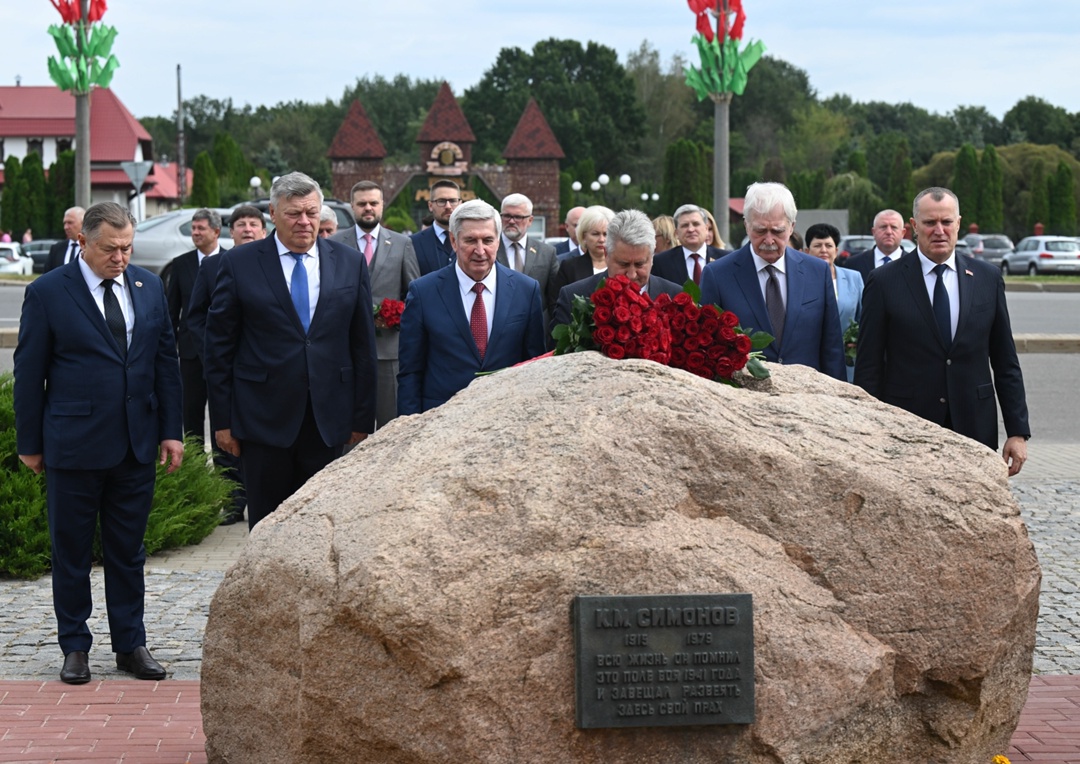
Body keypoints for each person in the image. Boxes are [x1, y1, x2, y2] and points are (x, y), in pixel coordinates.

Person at [13, 201, 183, 684]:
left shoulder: (149, 287)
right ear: (84, 243)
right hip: (72, 443)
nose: (121, 257)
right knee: (71, 552)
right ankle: (75, 648)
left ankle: (132, 645)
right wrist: (31, 442)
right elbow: (29, 373)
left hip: (136, 443)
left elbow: (164, 364)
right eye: (111, 249)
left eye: (128, 247)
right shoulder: (49, 292)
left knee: (128, 552)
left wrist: (171, 430)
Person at [204, 172, 378, 529]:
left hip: (328, 420)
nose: (304, 222)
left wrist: (362, 417)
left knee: (322, 527)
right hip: (261, 421)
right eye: (293, 214)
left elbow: (362, 345)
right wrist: (222, 421)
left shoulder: (349, 262)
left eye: (311, 213)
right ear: (272, 212)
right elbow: (218, 347)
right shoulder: (239, 264)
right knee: (267, 527)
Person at [855, 187, 1030, 474]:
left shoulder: (987, 278)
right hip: (907, 427)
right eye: (929, 223)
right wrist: (868, 431)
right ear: (914, 227)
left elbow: (1005, 361)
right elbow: (869, 365)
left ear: (958, 224)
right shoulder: (884, 281)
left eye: (946, 222)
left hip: (974, 427)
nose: (939, 230)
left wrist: (1017, 431)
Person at [397, 199, 546, 415]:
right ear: (454, 241)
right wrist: (408, 428)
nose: (480, 250)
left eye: (488, 240)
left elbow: (533, 367)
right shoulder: (423, 292)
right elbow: (410, 371)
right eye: (470, 240)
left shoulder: (526, 290)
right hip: (439, 420)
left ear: (498, 241)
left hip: (506, 418)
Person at [699, 182, 845, 380]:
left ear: (792, 227)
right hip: (743, 400)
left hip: (809, 398)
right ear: (746, 225)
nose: (769, 240)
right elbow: (707, 350)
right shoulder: (717, 275)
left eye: (777, 231)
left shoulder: (817, 272)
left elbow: (832, 347)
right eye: (760, 231)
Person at [185, 206, 264, 526]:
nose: (247, 229)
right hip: (224, 369)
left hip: (262, 367)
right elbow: (197, 315)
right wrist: (214, 353)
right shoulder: (214, 266)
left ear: (263, 229)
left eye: (253, 224)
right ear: (230, 231)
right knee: (225, 434)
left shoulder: (272, 264)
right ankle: (232, 500)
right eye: (240, 224)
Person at [331, 180, 420, 429]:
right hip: (345, 348)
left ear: (382, 205)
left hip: (389, 349)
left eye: (373, 203)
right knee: (347, 425)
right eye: (362, 204)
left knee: (390, 424)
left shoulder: (402, 244)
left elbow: (413, 295)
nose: (367, 208)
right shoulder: (335, 243)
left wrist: (396, 317)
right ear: (352, 207)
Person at [551, 209, 683, 333]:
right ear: (606, 254)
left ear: (652, 257)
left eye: (639, 264)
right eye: (623, 264)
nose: (631, 275)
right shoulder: (573, 297)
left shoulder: (675, 297)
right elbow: (556, 355)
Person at [166, 209, 224, 443]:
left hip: (222, 351)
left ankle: (225, 469)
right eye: (193, 228)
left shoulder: (231, 260)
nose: (196, 233)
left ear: (216, 231)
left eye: (201, 228)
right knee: (191, 413)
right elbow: (172, 310)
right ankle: (197, 468)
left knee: (223, 413)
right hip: (190, 353)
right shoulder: (181, 264)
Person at [803, 222, 863, 382]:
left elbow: (863, 318)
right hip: (810, 362)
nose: (824, 250)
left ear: (836, 251)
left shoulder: (854, 278)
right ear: (807, 251)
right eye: (818, 245)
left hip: (847, 362)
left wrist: (857, 340)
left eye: (828, 245)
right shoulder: (799, 281)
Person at [496, 193, 559, 323]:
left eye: (518, 217)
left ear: (530, 220)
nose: (511, 221)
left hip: (535, 327)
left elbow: (554, 298)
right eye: (507, 216)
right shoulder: (489, 249)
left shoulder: (547, 253)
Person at [652, 205, 729, 286]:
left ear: (706, 229)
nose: (691, 229)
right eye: (685, 225)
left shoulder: (725, 259)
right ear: (676, 233)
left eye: (696, 224)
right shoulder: (661, 262)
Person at [551, 205, 614, 297]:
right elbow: (556, 302)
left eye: (606, 234)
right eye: (595, 234)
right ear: (584, 236)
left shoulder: (622, 266)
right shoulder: (569, 267)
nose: (601, 239)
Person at [411, 180, 462, 275]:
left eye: (453, 201)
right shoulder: (413, 243)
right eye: (441, 201)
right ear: (430, 206)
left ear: (460, 204)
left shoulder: (473, 240)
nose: (448, 206)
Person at [843, 209, 906, 279]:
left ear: (903, 233)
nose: (889, 232)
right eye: (883, 227)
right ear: (873, 232)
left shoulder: (916, 264)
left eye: (894, 227)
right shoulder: (853, 264)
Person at [45, 207, 85, 272]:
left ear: (83, 224)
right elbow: (46, 276)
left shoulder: (91, 248)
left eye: (70, 222)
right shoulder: (56, 249)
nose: (65, 227)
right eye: (64, 223)